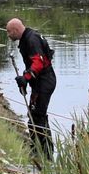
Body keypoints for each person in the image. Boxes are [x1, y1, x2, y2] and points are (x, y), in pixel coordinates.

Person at [7, 17, 57, 162]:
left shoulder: (31, 39)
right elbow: (32, 64)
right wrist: (25, 81)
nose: (8, 35)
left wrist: (26, 78)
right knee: (34, 115)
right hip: (40, 82)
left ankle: (45, 154)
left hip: (44, 82)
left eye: (9, 32)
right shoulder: (27, 38)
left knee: (37, 116)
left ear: (16, 30)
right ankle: (38, 149)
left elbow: (39, 62)